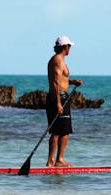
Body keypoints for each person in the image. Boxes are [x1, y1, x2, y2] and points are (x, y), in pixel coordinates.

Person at [46, 36, 83, 167]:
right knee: (58, 131)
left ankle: (58, 160)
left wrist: (72, 82)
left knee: (63, 130)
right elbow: (55, 82)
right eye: (69, 46)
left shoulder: (60, 60)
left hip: (61, 96)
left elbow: (61, 79)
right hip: (58, 97)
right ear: (65, 46)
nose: (70, 49)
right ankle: (53, 160)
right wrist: (58, 103)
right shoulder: (57, 60)